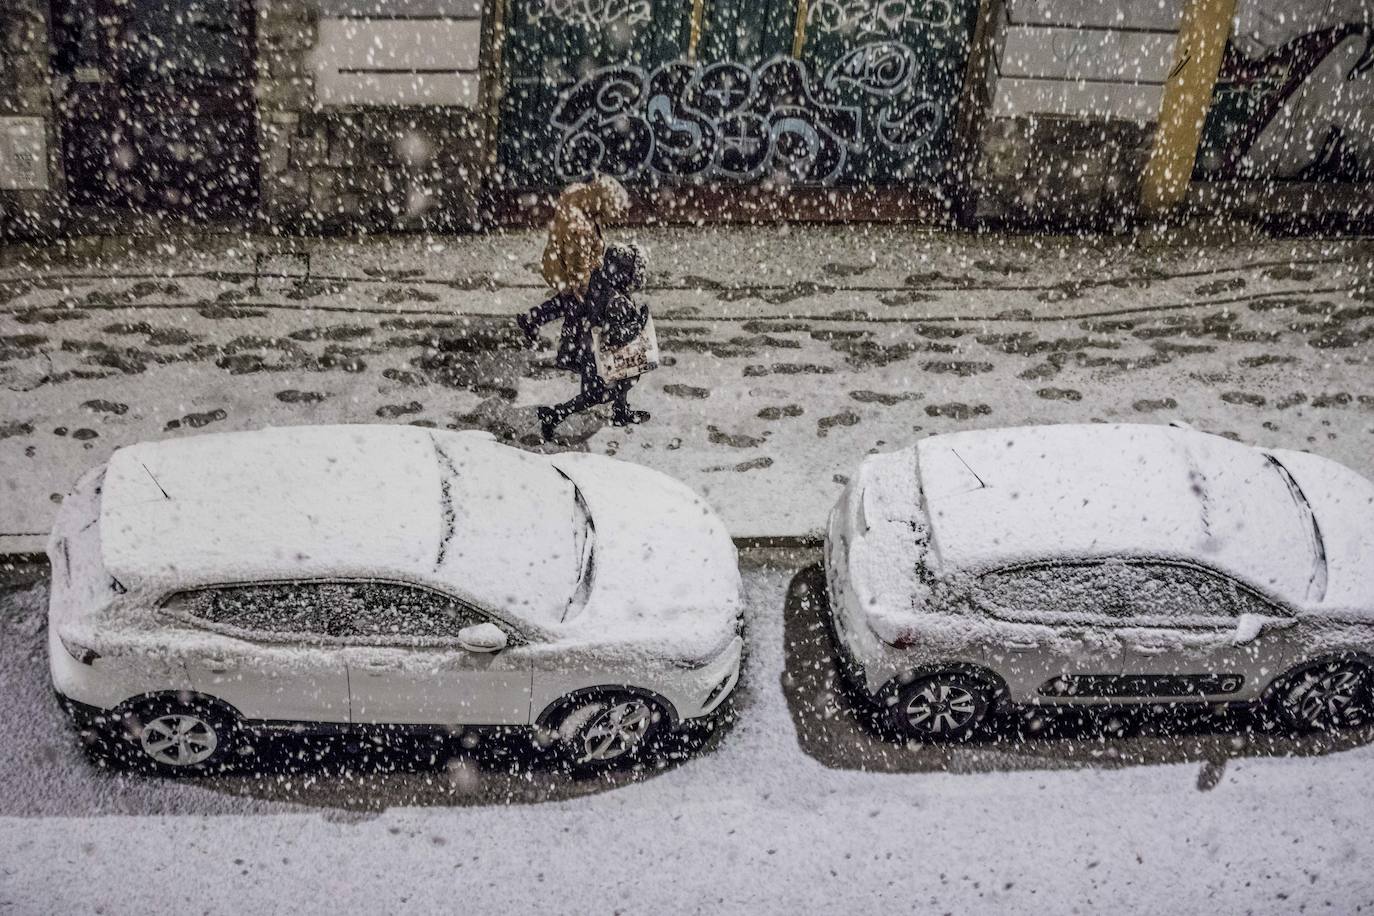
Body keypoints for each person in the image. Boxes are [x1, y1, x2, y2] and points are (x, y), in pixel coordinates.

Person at [526, 244, 651, 441]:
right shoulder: (616, 301)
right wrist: (639, 323)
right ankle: (553, 415)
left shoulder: (599, 279)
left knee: (624, 379)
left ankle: (620, 411)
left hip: (588, 345)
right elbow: (616, 336)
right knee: (595, 394)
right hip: (599, 354)